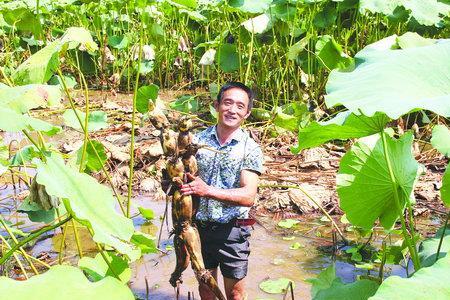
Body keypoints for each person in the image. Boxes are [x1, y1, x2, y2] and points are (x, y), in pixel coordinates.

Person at [180, 82, 263, 300]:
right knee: (205, 289)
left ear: (247, 113)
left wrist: (206, 190)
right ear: (217, 105)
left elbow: (248, 196)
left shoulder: (250, 148)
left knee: (235, 294)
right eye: (227, 103)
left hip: (233, 231)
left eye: (239, 106)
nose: (232, 110)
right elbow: (180, 177)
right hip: (199, 229)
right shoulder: (195, 142)